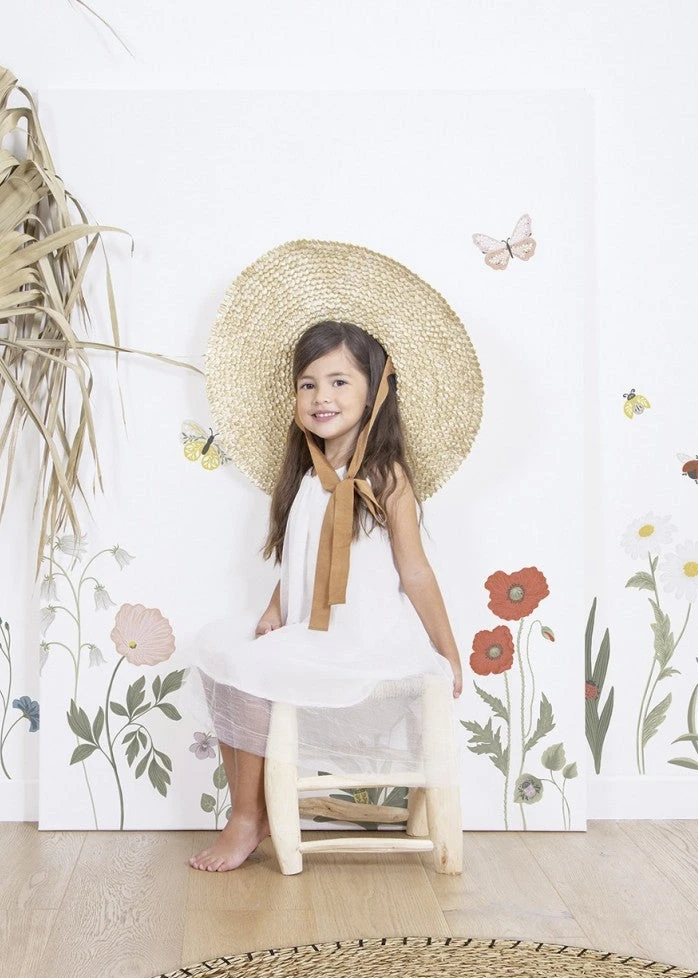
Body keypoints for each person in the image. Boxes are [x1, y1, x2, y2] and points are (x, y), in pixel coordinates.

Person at [186, 241, 483, 873]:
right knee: (222, 650)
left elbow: (414, 571)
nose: (321, 395)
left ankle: (247, 818)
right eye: (308, 384)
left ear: (375, 393)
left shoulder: (386, 477)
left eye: (339, 381)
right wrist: (275, 607)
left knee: (250, 670)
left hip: (362, 640)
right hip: (306, 630)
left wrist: (449, 650)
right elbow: (301, 558)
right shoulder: (306, 478)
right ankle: (251, 808)